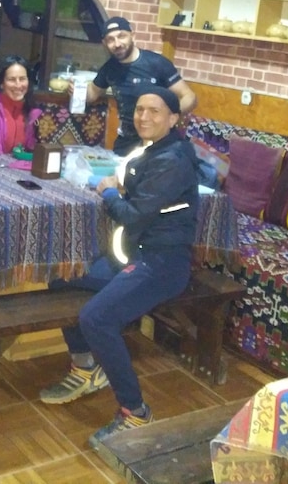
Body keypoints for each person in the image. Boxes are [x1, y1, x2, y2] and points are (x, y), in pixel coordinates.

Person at [39, 86, 200, 447]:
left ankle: (135, 411)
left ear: (174, 118)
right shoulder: (154, 150)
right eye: (140, 109)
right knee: (61, 278)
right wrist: (119, 185)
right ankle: (85, 368)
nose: (144, 116)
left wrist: (109, 191)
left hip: (161, 264)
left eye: (154, 111)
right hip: (133, 255)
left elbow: (132, 214)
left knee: (96, 318)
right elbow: (145, 198)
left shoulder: (173, 159)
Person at [83, 16, 197, 156]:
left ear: (132, 35)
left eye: (121, 36)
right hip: (126, 140)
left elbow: (189, 96)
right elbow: (92, 93)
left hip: (158, 141)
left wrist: (168, 117)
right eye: (110, 39)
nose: (117, 44)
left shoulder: (157, 63)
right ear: (104, 43)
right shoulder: (109, 68)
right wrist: (77, 90)